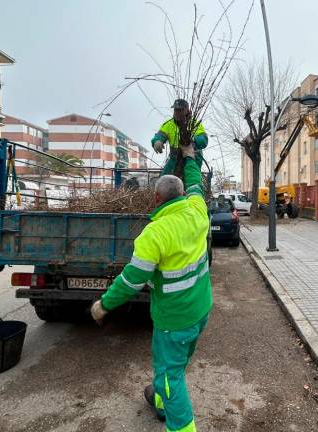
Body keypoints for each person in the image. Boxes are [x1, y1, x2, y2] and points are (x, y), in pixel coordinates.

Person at [91, 142, 211, 432]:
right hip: (200, 310)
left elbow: (131, 280)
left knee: (170, 372)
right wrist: (191, 158)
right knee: (174, 365)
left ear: (156, 198)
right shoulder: (198, 209)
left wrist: (104, 304)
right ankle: (161, 401)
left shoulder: (154, 233)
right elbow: (196, 182)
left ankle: (181, 425)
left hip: (174, 319)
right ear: (182, 194)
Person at [151, 99, 208, 176]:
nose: (177, 112)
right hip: (174, 158)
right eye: (175, 110)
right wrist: (157, 141)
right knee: (164, 178)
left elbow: (203, 140)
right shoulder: (169, 124)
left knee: (191, 178)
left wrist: (192, 141)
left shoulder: (194, 124)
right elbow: (160, 135)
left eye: (180, 110)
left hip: (192, 157)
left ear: (187, 110)